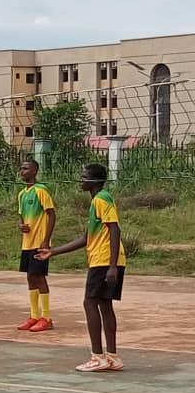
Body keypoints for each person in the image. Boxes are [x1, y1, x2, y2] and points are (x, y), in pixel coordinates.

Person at [36, 164, 126, 372]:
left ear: (95, 181)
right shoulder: (97, 201)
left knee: (89, 303)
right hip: (104, 259)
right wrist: (53, 251)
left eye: (84, 177)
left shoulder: (102, 199)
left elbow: (115, 229)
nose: (81, 180)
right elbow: (86, 238)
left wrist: (112, 266)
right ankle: (111, 356)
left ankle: (97, 357)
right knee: (104, 305)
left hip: (104, 260)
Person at [17, 159, 56, 332]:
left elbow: (52, 215)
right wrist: (20, 225)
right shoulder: (22, 193)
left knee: (39, 276)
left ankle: (46, 317)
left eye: (26, 168)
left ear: (35, 171)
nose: (22, 171)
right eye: (21, 168)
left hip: (39, 242)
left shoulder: (41, 190)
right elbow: (20, 215)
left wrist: (46, 240)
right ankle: (34, 315)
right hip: (27, 242)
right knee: (30, 276)